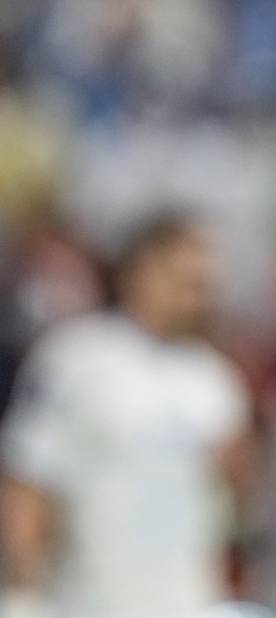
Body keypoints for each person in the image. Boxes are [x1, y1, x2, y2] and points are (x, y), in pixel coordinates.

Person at [0, 213, 253, 618]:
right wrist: (23, 595)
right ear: (139, 272)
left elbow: (230, 512)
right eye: (183, 279)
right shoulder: (75, 357)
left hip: (186, 603)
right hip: (87, 605)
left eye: (202, 284)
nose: (195, 296)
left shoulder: (216, 380)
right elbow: (28, 485)